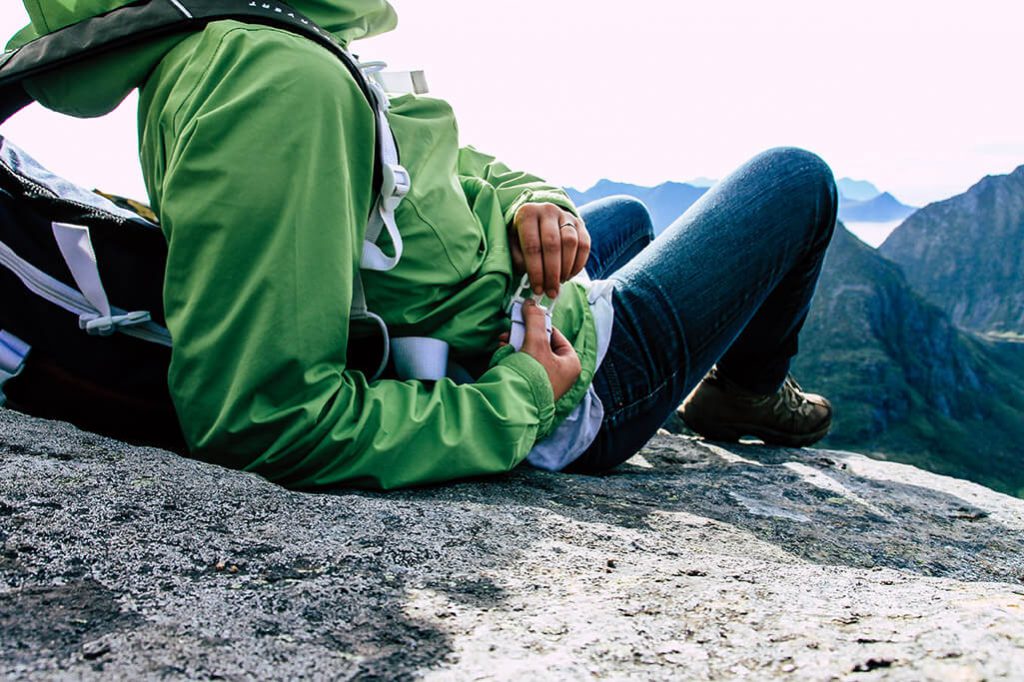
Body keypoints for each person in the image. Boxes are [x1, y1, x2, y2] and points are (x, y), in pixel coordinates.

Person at [9, 0, 836, 489]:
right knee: (796, 180)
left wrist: (531, 203)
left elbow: (435, 168)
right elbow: (261, 420)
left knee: (619, 214)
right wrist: (522, 394)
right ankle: (744, 394)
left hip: (502, 296)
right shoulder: (273, 85)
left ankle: (642, 315)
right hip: (549, 379)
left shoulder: (258, 39)